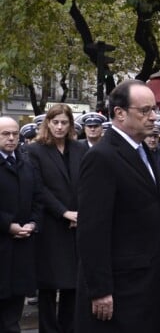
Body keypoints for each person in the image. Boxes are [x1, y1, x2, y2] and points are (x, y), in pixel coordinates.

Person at [75, 79, 160, 332]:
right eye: (145, 110)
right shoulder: (101, 157)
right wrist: (100, 290)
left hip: (148, 280)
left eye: (155, 109)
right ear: (119, 113)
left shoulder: (144, 151)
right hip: (122, 286)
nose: (154, 117)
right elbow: (92, 230)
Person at [27, 104, 88, 333]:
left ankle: (68, 328)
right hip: (51, 225)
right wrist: (64, 212)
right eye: (56, 122)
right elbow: (39, 189)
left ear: (71, 124)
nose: (60, 127)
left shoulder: (79, 148)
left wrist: (79, 213)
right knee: (48, 285)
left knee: (73, 283)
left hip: (76, 224)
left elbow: (86, 183)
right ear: (48, 124)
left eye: (64, 122)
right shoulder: (35, 150)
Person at [0, 116, 43, 333]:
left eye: (14, 134)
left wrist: (34, 223)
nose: (11, 138)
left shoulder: (26, 163)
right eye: (5, 134)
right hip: (3, 244)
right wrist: (8, 225)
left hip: (22, 248)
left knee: (13, 313)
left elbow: (38, 197)